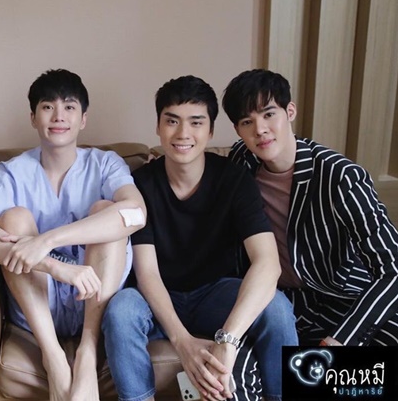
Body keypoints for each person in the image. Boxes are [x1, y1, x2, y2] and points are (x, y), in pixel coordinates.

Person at [101, 75, 297, 401]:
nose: (183, 134)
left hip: (216, 294)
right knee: (120, 310)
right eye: (172, 121)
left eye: (195, 122)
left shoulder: (234, 179)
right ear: (158, 126)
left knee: (276, 307)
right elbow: (147, 273)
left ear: (211, 130)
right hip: (157, 297)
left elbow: (267, 263)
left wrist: (227, 341)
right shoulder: (140, 184)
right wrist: (183, 342)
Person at [0, 69, 146, 401]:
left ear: (83, 119)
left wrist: (47, 241)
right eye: (48, 107)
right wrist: (54, 265)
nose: (58, 116)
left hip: (96, 295)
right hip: (38, 303)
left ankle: (88, 351)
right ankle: (53, 357)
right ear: (33, 117)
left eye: (69, 107)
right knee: (14, 218)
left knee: (107, 209)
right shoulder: (12, 171)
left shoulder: (105, 163)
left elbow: (136, 213)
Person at [222, 68, 398, 347]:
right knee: (235, 366)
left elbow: (392, 269)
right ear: (238, 130)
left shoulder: (340, 176)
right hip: (280, 298)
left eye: (269, 114)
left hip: (342, 296)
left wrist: (342, 339)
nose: (260, 129)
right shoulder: (241, 161)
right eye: (247, 121)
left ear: (290, 111)